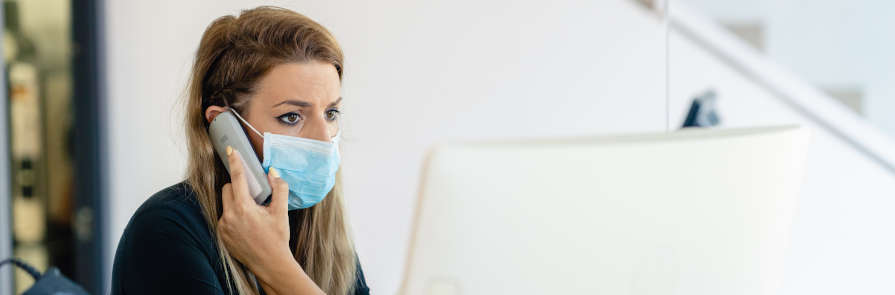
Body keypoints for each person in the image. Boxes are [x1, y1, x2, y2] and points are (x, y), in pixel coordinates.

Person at [110, 6, 369, 295]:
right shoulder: (165, 231)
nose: (324, 139)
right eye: (292, 117)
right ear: (224, 128)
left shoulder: (320, 228)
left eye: (331, 113)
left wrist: (276, 265)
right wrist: (278, 268)